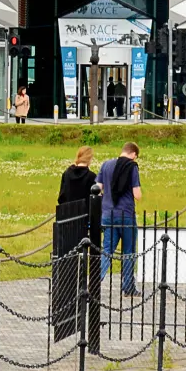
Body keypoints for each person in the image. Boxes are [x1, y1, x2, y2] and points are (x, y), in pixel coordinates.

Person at [51, 147, 101, 349]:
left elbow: (61, 197)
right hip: (83, 222)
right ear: (89, 159)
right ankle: (83, 290)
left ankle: (66, 294)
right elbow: (94, 200)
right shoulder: (91, 176)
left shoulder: (66, 173)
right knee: (84, 259)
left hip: (66, 220)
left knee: (66, 261)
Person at [96, 141, 142, 298]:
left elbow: (97, 188)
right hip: (126, 214)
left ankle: (94, 282)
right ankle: (128, 287)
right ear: (133, 154)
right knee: (128, 251)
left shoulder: (106, 165)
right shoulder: (132, 167)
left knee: (106, 250)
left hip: (108, 214)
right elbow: (137, 194)